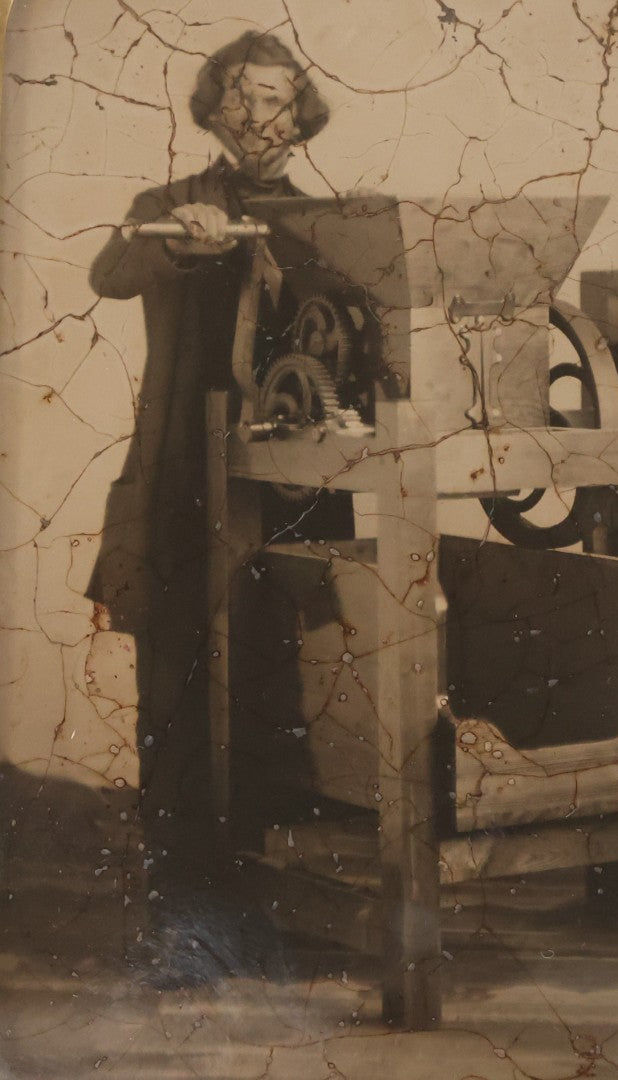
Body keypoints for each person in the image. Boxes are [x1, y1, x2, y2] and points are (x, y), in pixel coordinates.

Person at [88, 32, 341, 878]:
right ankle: (180, 874)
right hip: (180, 471)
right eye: (238, 96)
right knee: (174, 667)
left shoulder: (322, 222)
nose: (256, 116)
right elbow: (109, 271)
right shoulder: (168, 198)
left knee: (278, 664)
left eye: (274, 97)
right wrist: (182, 241)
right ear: (213, 108)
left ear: (300, 114)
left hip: (284, 482)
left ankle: (269, 870)